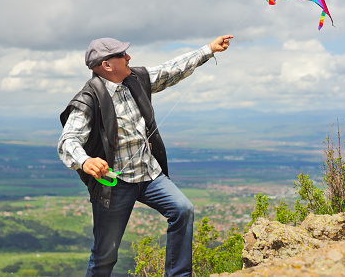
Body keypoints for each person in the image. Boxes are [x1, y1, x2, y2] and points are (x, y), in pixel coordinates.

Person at [58, 35, 232, 276]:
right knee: (104, 256)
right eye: (122, 55)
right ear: (107, 65)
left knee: (183, 209)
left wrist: (208, 50)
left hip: (150, 175)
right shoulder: (88, 98)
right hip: (115, 184)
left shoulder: (136, 79)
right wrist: (85, 161)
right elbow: (68, 141)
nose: (128, 57)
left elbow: (170, 70)